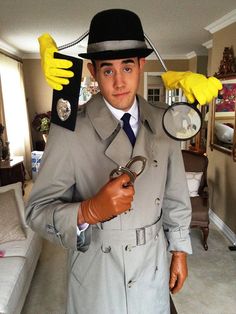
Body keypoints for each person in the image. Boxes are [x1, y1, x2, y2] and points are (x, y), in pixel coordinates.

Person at [27, 9, 214, 314]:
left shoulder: (166, 123)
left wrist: (179, 250)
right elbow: (36, 212)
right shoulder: (69, 130)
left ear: (142, 65)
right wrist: (87, 211)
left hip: (152, 269)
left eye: (127, 67)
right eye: (107, 70)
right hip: (96, 273)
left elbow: (175, 195)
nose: (119, 82)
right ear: (92, 72)